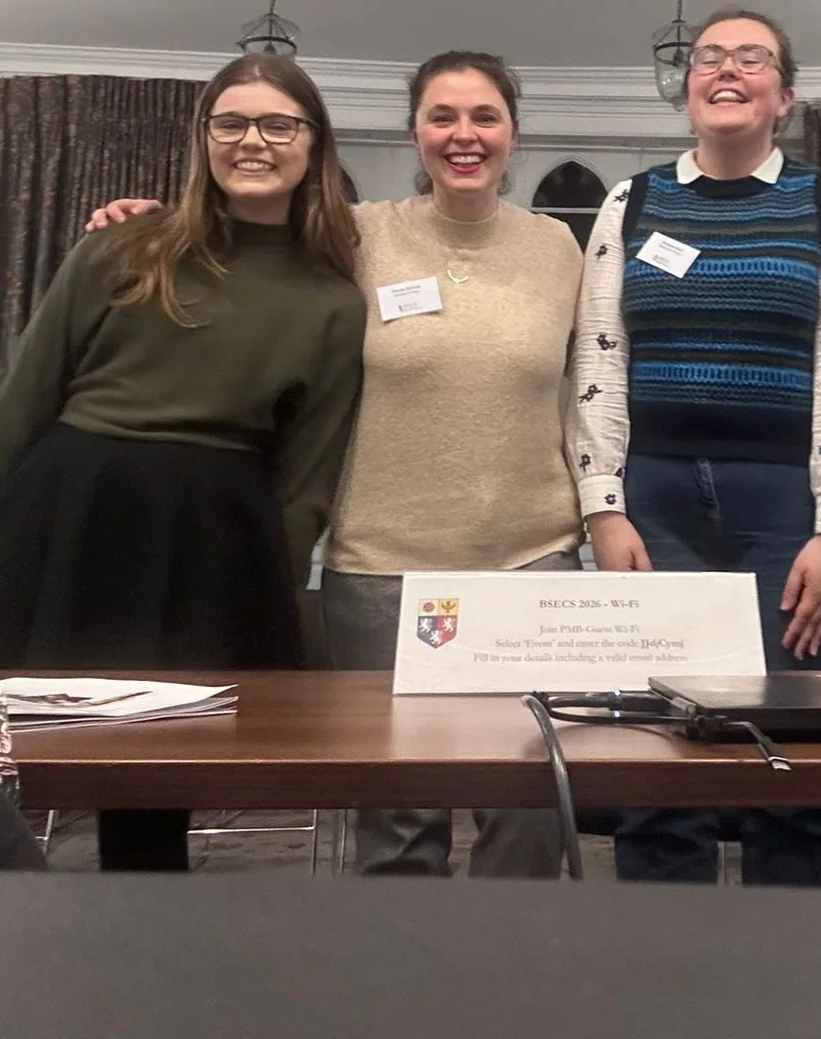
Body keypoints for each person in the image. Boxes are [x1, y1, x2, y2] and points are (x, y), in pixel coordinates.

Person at [89, 51, 585, 879]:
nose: (464, 135)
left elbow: (600, 380)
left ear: (513, 133)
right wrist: (154, 225)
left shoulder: (561, 247)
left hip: (532, 559)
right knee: (399, 815)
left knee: (531, 807)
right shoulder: (356, 234)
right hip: (382, 568)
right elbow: (238, 249)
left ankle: (512, 981)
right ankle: (395, 988)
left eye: (484, 117)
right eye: (442, 117)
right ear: (415, 134)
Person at [0, 53, 366, 873]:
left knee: (160, 777)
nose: (252, 141)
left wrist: (275, 579)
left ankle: (145, 945)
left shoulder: (333, 298)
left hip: (213, 540)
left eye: (277, 124)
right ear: (203, 140)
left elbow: (309, 474)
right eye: (230, 122)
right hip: (65, 509)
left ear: (312, 143)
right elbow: (18, 406)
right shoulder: (123, 247)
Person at [572, 7, 821, 887]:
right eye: (710, 56)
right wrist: (602, 502)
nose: (727, 69)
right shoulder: (632, 200)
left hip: (785, 503)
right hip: (654, 503)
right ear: (689, 87)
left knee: (786, 760)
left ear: (784, 95)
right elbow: (598, 354)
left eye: (753, 58)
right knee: (656, 767)